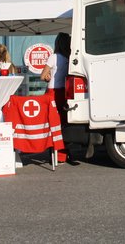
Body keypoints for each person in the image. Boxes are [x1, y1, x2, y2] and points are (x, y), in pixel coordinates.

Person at [40, 33, 71, 162]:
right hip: (64, 92)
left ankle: (55, 153)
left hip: (52, 92)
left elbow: (43, 76)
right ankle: (63, 154)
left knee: (52, 124)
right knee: (62, 123)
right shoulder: (69, 58)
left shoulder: (53, 57)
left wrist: (48, 77)